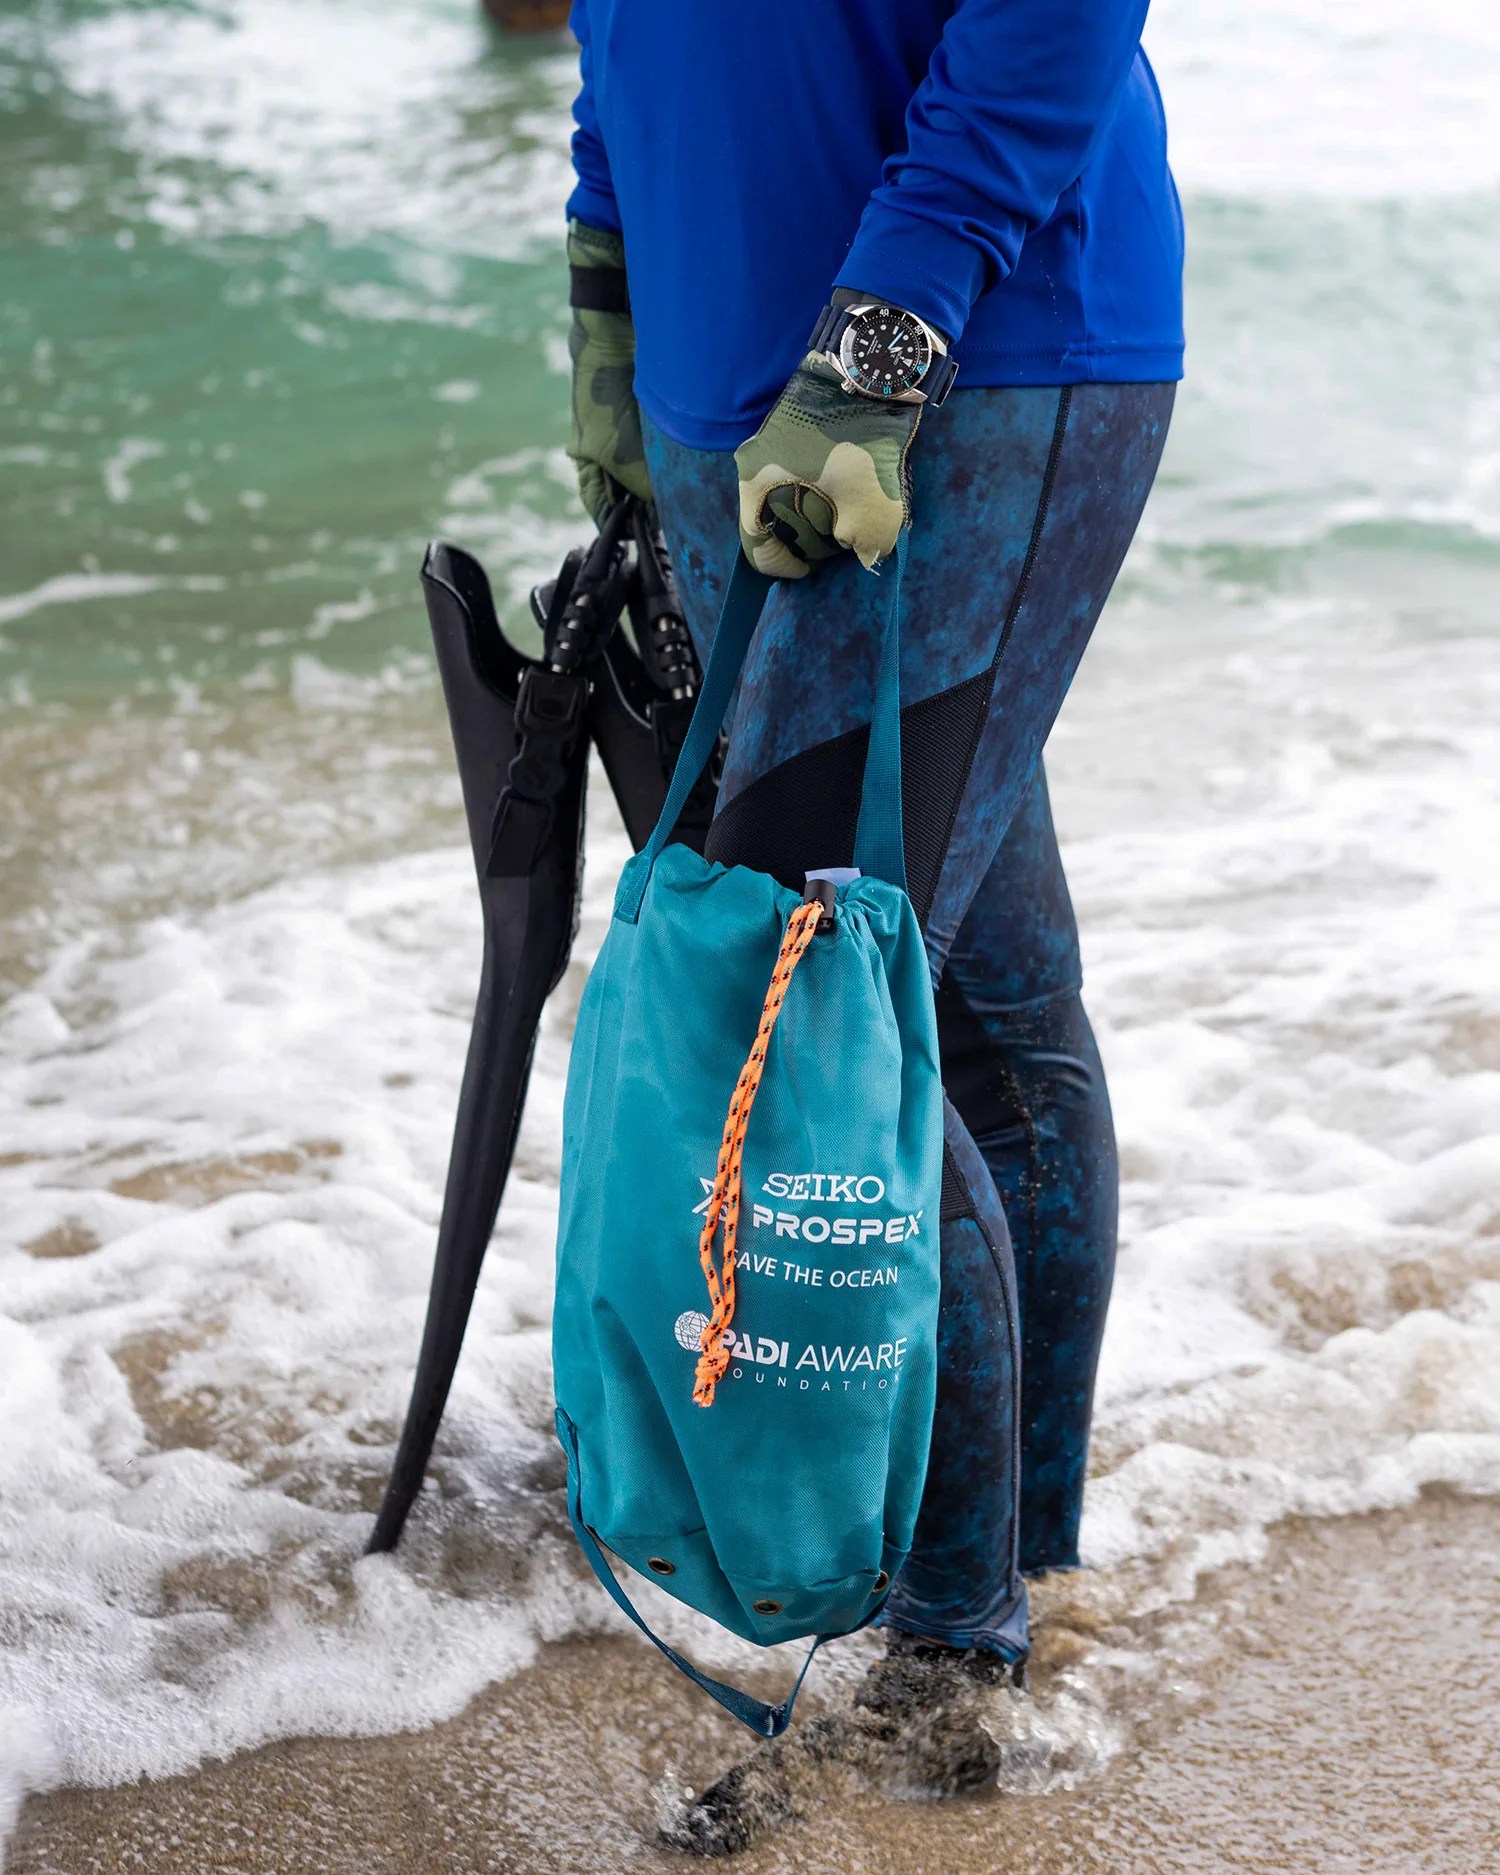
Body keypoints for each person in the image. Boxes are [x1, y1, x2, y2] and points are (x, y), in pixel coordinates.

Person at [562, 0, 1183, 1850]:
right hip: (722, 363)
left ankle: (947, 1647)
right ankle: (1020, 1561)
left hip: (957, 366)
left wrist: (881, 339)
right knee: (977, 994)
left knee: (833, 999)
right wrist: (605, 270)